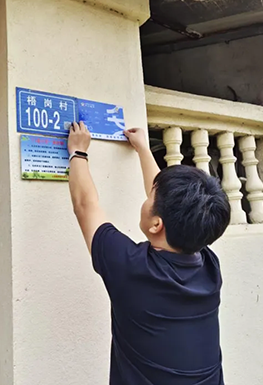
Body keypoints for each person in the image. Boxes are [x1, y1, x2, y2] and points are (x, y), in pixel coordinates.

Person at [67, 121, 231, 385]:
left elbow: (85, 206)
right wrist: (144, 149)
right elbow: (170, 208)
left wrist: (78, 152)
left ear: (156, 225)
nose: (147, 198)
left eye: (150, 197)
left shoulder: (132, 268)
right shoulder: (209, 265)